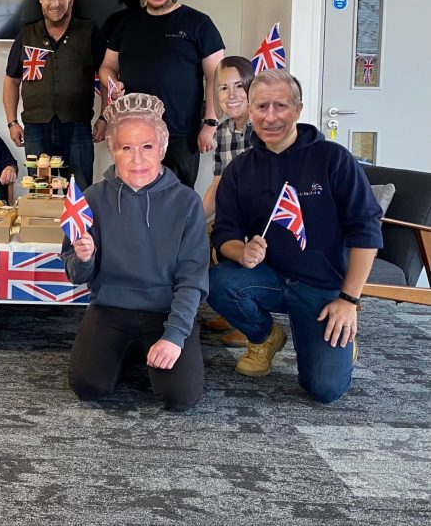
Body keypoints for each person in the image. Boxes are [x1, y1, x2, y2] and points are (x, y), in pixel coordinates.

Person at [209, 69, 383, 403]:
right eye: (261, 107)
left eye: (280, 106)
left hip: (324, 288)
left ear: (298, 110)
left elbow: (366, 230)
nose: (270, 117)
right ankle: (265, 337)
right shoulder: (239, 169)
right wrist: (240, 252)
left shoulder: (334, 159)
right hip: (268, 278)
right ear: (250, 107)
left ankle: (343, 338)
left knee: (324, 390)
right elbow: (225, 233)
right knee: (218, 281)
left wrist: (349, 301)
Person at [64, 93, 209, 411]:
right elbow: (76, 274)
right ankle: (127, 351)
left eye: (147, 147)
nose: (137, 159)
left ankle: (159, 346)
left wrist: (174, 335)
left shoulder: (186, 203)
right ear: (113, 150)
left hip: (165, 311)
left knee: (180, 398)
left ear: (162, 148)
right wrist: (84, 258)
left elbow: (192, 278)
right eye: (125, 148)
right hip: (111, 308)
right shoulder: (91, 199)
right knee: (88, 386)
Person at [99, 0, 225, 188]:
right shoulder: (126, 24)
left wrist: (210, 123)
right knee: (133, 200)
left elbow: (217, 76)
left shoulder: (199, 23)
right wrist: (112, 82)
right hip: (133, 135)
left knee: (177, 202)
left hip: (180, 135)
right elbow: (106, 68)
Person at [2, 0, 107, 190]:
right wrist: (12, 122)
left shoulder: (89, 31)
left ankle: (79, 227)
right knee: (39, 191)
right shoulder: (26, 34)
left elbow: (107, 74)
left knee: (80, 190)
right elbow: (12, 80)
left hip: (77, 125)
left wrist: (105, 117)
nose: (55, 3)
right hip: (35, 127)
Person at [200, 56, 256, 347]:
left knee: (234, 244)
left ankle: (251, 326)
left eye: (238, 86)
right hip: (233, 213)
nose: (231, 95)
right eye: (223, 88)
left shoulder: (262, 128)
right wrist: (194, 219)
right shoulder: (222, 131)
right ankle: (232, 311)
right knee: (203, 238)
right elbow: (218, 183)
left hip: (261, 216)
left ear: (251, 88)